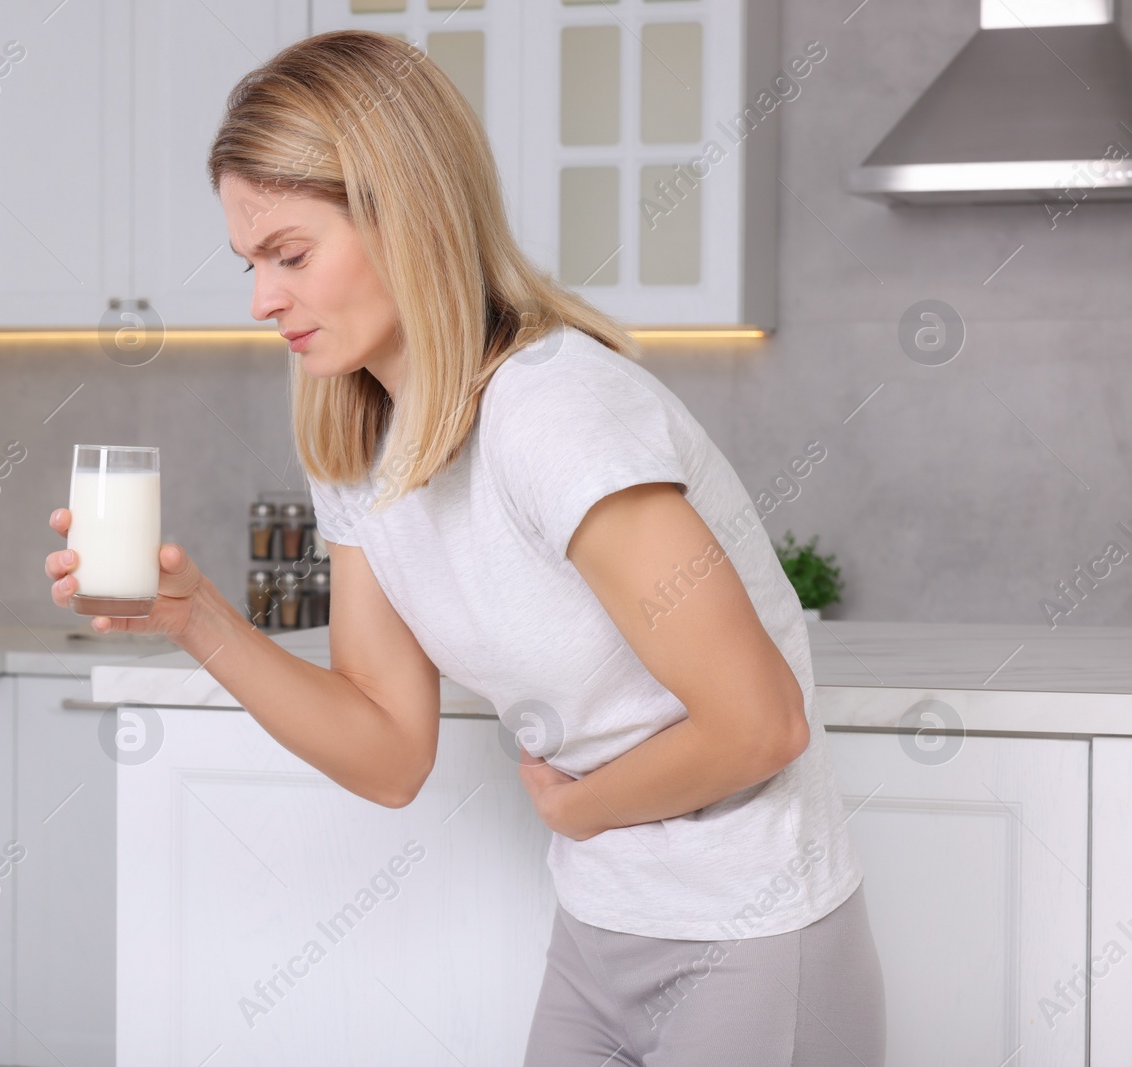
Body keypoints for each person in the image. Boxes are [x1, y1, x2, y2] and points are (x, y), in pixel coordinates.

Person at [44, 28, 885, 1067]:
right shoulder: (357, 436)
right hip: (595, 933)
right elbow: (389, 747)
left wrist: (579, 804)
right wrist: (193, 616)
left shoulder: (555, 413)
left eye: (290, 255)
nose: (262, 299)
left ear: (405, 215)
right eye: (250, 263)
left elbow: (760, 722)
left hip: (753, 941)